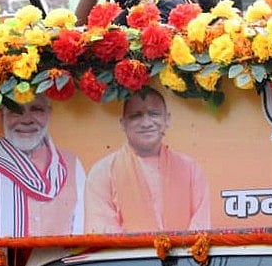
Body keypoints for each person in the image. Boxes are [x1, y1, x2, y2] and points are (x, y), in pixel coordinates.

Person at [84, 88, 210, 233]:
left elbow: (200, 230)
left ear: (167, 120)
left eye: (154, 114)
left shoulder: (191, 170)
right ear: (122, 123)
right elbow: (102, 232)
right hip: (129, 256)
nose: (146, 123)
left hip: (182, 255)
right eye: (136, 116)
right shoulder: (103, 172)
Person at [0, 96, 85, 237]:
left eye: (37, 109)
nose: (26, 119)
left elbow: (81, 233)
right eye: (16, 110)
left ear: (49, 113)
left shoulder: (72, 165)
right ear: (2, 115)